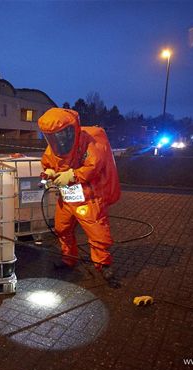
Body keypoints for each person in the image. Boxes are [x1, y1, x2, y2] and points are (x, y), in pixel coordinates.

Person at [38, 108, 121, 283]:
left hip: (88, 197)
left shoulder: (89, 142)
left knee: (97, 232)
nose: (57, 140)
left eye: (60, 134)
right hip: (67, 198)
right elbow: (48, 162)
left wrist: (73, 175)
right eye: (51, 136)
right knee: (62, 229)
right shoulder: (54, 147)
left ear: (70, 130)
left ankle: (103, 265)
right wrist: (50, 172)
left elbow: (93, 166)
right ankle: (69, 259)